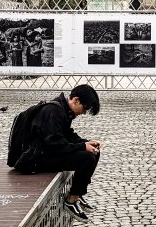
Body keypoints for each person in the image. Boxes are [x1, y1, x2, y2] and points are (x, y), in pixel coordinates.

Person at [29, 85, 101, 223]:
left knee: (94, 152)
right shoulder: (54, 111)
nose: (84, 113)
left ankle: (77, 193)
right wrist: (82, 146)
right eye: (85, 108)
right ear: (76, 100)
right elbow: (55, 144)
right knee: (86, 158)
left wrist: (86, 143)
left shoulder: (63, 110)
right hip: (35, 159)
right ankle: (71, 201)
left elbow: (68, 135)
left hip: (46, 153)